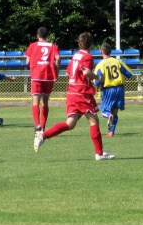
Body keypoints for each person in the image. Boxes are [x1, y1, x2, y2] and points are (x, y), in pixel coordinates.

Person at [34, 32, 115, 160]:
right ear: (92, 44)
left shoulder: (76, 55)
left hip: (71, 92)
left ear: (79, 43)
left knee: (70, 124)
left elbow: (68, 73)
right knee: (94, 120)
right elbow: (86, 72)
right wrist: (99, 77)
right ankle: (99, 154)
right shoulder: (87, 56)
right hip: (82, 92)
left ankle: (43, 136)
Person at [25, 27, 60, 134]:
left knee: (35, 101)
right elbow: (58, 58)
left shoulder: (32, 45)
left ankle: (37, 126)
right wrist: (56, 71)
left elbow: (27, 61)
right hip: (48, 76)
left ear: (37, 35)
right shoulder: (53, 46)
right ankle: (43, 127)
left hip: (36, 76)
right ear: (47, 36)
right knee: (45, 102)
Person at [94, 43, 134, 137]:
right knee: (115, 110)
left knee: (104, 110)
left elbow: (97, 81)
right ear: (110, 52)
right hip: (120, 88)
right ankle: (111, 132)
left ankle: (108, 116)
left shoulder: (100, 64)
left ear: (101, 52)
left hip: (108, 89)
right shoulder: (117, 62)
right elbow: (129, 74)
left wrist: (98, 86)